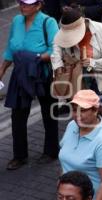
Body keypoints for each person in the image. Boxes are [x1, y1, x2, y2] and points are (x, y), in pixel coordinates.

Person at [0, 0, 59, 170]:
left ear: (38, 6)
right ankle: (19, 156)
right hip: (21, 74)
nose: (23, 6)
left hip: (42, 74)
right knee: (17, 115)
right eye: (21, 3)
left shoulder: (49, 22)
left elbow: (55, 50)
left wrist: (36, 58)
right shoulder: (17, 21)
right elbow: (11, 48)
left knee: (48, 113)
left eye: (27, 4)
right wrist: (3, 68)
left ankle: (51, 151)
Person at [59, 90, 102, 200]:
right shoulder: (71, 126)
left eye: (83, 110)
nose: (77, 115)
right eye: (74, 110)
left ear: (95, 110)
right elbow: (64, 161)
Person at [51, 8, 102, 101]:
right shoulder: (66, 29)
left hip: (101, 82)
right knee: (79, 113)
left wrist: (93, 63)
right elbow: (56, 44)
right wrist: (58, 65)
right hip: (77, 82)